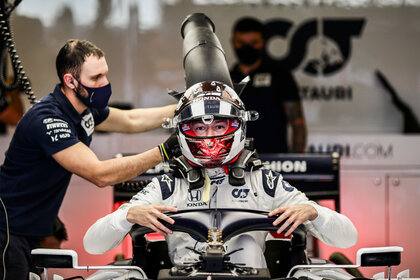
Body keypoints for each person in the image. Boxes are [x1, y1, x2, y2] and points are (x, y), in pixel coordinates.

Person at [83, 81, 357, 269]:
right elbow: (92, 245)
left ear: (238, 126)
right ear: (181, 131)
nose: (210, 137)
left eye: (220, 126)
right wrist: (126, 215)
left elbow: (348, 238)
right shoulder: (168, 185)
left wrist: (314, 213)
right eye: (199, 129)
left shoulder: (263, 182)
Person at [0, 39, 180, 280]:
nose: (104, 83)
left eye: (105, 75)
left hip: (27, 231)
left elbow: (131, 121)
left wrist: (185, 106)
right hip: (7, 231)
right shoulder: (48, 119)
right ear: (70, 81)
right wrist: (165, 151)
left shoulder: (84, 108)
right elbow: (100, 174)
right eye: (96, 78)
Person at [230, 17, 307, 153]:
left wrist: (296, 163)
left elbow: (297, 123)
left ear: (263, 43)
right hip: (234, 163)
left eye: (254, 43)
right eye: (241, 43)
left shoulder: (280, 75)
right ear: (233, 42)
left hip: (274, 160)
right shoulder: (226, 78)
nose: (247, 48)